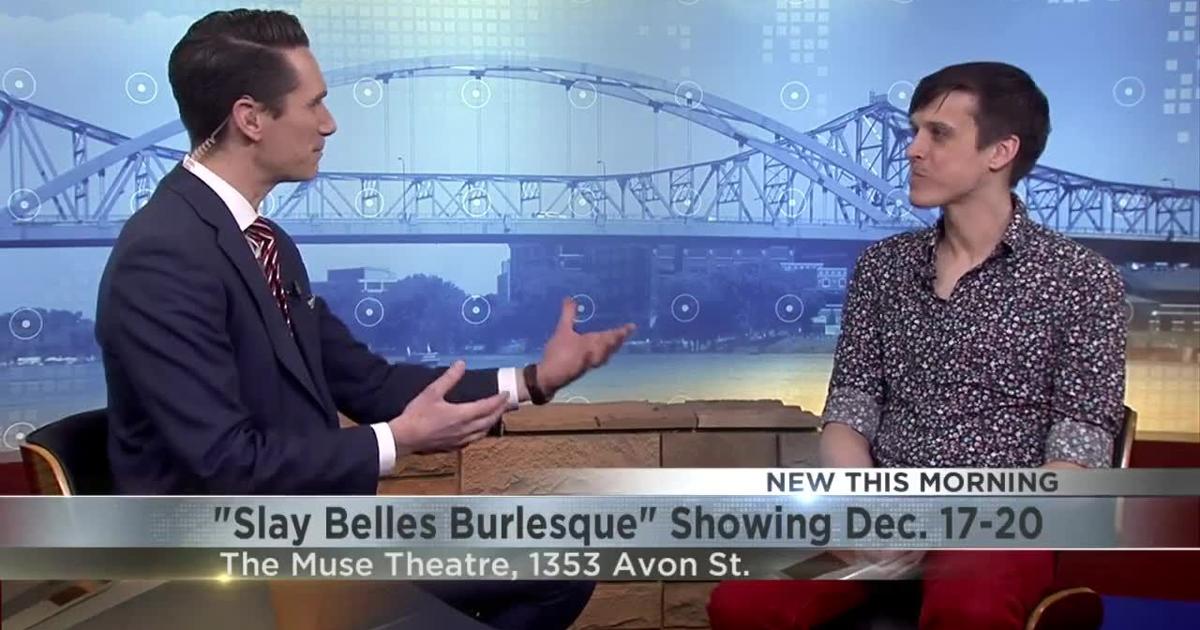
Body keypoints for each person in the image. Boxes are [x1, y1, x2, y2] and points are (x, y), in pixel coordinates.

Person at [95, 9, 635, 629]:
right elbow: (226, 465)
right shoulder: (164, 255)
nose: (329, 123)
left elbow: (371, 384)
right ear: (250, 118)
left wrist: (534, 379)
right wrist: (398, 440)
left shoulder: (265, 244)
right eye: (313, 103)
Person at [707, 62, 1127, 629]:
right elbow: (849, 413)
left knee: (968, 609)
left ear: (1000, 151)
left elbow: (1078, 454)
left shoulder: (1082, 280)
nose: (912, 149)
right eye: (914, 131)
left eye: (939, 134)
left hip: (1001, 525)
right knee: (743, 602)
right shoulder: (882, 268)